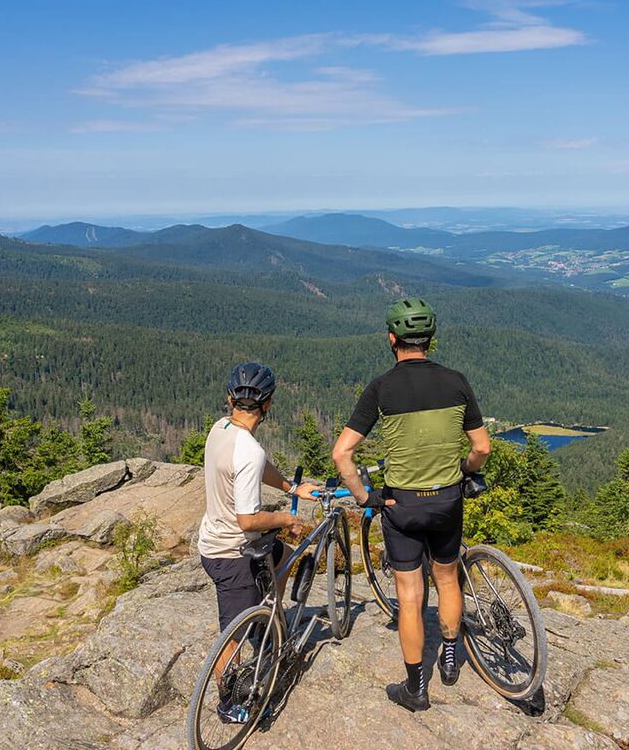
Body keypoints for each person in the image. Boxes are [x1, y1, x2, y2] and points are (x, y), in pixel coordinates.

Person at [332, 298, 491, 712]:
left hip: (401, 504)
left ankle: (416, 689)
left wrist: (365, 497)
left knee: (409, 593)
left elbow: (341, 454)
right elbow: (482, 448)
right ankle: (451, 658)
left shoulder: (381, 388)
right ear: (430, 339)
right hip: (447, 500)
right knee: (448, 578)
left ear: (392, 339)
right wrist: (464, 469)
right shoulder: (456, 382)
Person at [198, 361, 318, 723]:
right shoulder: (248, 450)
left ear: (230, 400)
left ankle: (267, 621)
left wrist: (291, 488)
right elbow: (248, 520)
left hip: (217, 541)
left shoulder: (221, 429)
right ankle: (229, 703)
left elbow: (258, 466)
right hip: (232, 553)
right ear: (268, 404)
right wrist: (287, 519)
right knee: (232, 637)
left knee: (283, 555)